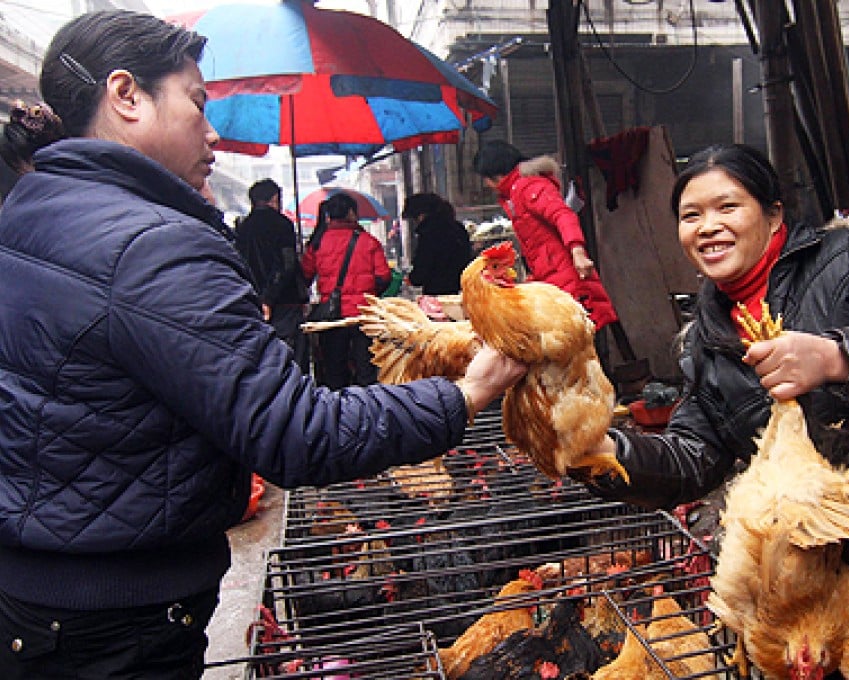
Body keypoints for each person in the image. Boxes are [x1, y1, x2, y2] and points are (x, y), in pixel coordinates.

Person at [0, 10, 524, 679]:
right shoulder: (150, 244)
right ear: (126, 96)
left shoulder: (32, 211)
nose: (211, 132)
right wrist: (467, 392)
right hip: (116, 623)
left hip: (38, 600)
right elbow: (297, 432)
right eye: (196, 103)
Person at [580, 143, 849, 678]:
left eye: (727, 207)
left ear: (774, 213)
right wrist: (599, 453)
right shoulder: (708, 338)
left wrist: (837, 354)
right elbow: (694, 455)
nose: (708, 227)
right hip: (823, 579)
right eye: (691, 216)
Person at [473, 140, 619, 331]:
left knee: (577, 340)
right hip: (550, 278)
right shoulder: (514, 194)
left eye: (485, 178)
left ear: (496, 173)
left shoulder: (529, 187)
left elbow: (562, 215)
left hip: (567, 276)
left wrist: (578, 252)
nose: (486, 184)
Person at [301, 191, 391, 389]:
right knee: (367, 368)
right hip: (363, 314)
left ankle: (339, 412)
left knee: (334, 369)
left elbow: (305, 275)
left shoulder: (317, 243)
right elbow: (384, 277)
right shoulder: (368, 241)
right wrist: (369, 294)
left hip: (332, 317)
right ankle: (370, 411)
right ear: (351, 212)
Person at [234, 178, 309, 370]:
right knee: (293, 360)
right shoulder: (282, 225)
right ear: (275, 199)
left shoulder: (242, 228)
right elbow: (287, 264)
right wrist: (269, 297)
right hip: (284, 302)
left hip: (252, 300)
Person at [402, 192, 472, 295]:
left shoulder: (428, 233)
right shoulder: (458, 228)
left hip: (437, 292)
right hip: (462, 288)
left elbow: (424, 264)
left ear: (421, 215)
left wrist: (413, 279)